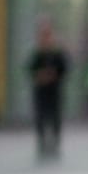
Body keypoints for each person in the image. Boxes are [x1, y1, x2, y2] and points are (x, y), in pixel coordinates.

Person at [27, 23, 69, 159]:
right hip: (40, 91)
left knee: (55, 117)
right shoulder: (37, 54)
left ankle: (55, 142)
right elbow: (30, 70)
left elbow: (64, 70)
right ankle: (42, 142)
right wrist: (40, 76)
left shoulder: (57, 54)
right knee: (40, 117)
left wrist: (53, 75)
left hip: (54, 91)